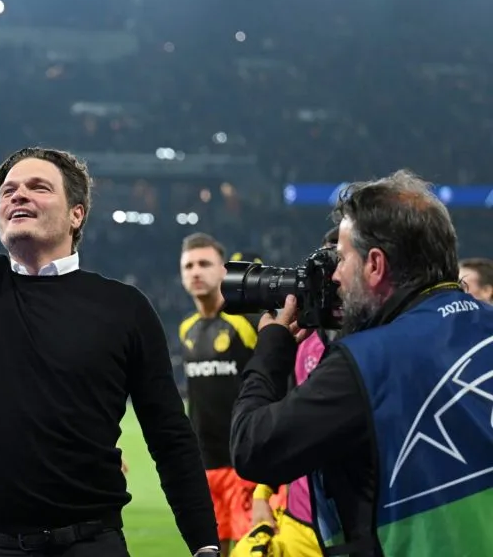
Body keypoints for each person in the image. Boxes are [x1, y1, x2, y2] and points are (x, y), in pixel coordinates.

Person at [0, 2, 218, 557]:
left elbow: (169, 437)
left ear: (76, 214)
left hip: (90, 546)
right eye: (8, 190)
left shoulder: (124, 308)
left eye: (37, 187)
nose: (17, 195)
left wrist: (204, 544)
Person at [231, 170, 493, 557]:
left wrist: (271, 350)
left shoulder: (366, 362)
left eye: (340, 258)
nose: (334, 274)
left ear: (375, 264)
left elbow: (252, 448)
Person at [233, 229, 338, 557]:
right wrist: (264, 493)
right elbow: (282, 417)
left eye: (336, 265)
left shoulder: (374, 342)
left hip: (345, 525)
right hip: (300, 518)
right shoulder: (303, 339)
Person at [178, 234, 260, 556]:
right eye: (188, 266)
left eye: (204, 264)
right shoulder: (187, 329)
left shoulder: (246, 323)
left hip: (244, 464)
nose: (196, 271)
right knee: (211, 550)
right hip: (204, 465)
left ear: (223, 271)